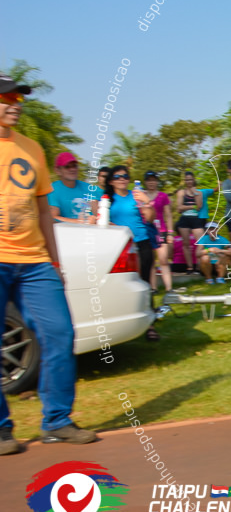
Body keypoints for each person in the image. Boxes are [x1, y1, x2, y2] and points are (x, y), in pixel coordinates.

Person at [0, 76, 98, 454]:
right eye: (7, 98)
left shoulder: (32, 149)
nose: (16, 103)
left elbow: (43, 209)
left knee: (60, 334)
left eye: (19, 98)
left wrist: (55, 260)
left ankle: (57, 422)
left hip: (35, 261)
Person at [106, 165, 161, 341]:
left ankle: (150, 325)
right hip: (121, 246)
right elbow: (102, 221)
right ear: (111, 181)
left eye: (125, 176)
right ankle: (122, 325)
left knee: (145, 284)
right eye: (118, 176)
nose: (122, 179)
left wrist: (146, 202)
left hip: (142, 242)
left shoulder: (136, 195)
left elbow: (150, 218)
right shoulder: (107, 199)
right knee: (122, 285)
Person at [143, 170, 174, 294]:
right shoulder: (141, 195)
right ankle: (153, 287)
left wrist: (170, 232)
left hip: (161, 230)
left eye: (153, 180)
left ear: (157, 181)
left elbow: (169, 215)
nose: (151, 182)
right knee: (150, 261)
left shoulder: (163, 196)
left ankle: (169, 288)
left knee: (163, 260)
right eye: (149, 180)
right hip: (147, 230)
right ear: (145, 182)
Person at [48, 152, 99, 223]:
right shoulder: (52, 189)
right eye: (67, 167)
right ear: (58, 170)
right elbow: (52, 217)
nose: (72, 169)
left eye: (74, 166)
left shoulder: (88, 188)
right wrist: (79, 221)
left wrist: (96, 219)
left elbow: (99, 215)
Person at [175, 171, 205, 274]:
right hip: (184, 219)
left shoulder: (199, 193)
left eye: (190, 179)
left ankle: (200, 266)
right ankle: (190, 267)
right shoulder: (181, 193)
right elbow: (179, 208)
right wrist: (191, 206)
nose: (189, 182)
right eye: (187, 180)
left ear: (193, 180)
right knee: (186, 243)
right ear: (185, 181)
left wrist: (194, 193)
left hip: (195, 218)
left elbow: (199, 206)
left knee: (201, 243)